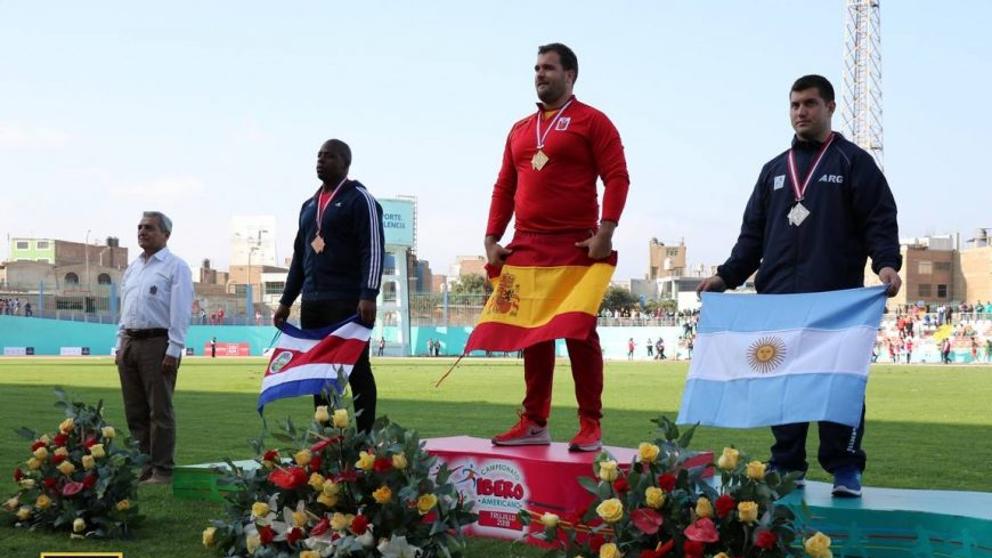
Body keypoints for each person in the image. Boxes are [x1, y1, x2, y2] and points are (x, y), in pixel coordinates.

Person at [696, 75, 901, 498]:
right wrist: (725, 276)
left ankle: (845, 467)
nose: (800, 112)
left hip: (834, 302)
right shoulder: (773, 170)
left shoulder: (853, 162)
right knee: (781, 384)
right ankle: (787, 464)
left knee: (836, 384)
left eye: (809, 103)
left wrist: (886, 265)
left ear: (830, 107)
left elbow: (878, 220)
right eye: (794, 105)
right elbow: (751, 237)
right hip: (779, 302)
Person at [486, 43, 630, 452]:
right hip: (528, 245)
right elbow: (505, 186)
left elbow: (617, 177)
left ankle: (590, 423)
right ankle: (535, 421)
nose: (540, 74)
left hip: (577, 245)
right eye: (536, 67)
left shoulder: (593, 121)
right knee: (532, 336)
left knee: (580, 335)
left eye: (548, 67)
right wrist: (492, 237)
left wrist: (606, 231)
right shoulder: (518, 129)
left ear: (571, 75)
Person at [273, 138, 385, 434]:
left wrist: (368, 293)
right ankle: (327, 438)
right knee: (318, 373)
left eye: (330, 156)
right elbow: (301, 256)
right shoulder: (309, 206)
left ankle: (364, 438)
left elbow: (372, 248)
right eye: (319, 156)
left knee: (357, 369)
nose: (321, 160)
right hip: (313, 301)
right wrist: (286, 301)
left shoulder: (360, 198)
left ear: (346, 163)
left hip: (348, 301)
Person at [115, 211, 193, 485]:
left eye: (149, 228)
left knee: (159, 410)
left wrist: (174, 349)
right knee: (134, 410)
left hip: (157, 343)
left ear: (166, 234)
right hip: (129, 342)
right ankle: (143, 465)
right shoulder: (133, 268)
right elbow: (125, 307)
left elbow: (181, 311)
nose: (142, 232)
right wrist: (119, 343)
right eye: (139, 227)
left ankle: (162, 469)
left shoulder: (176, 267)